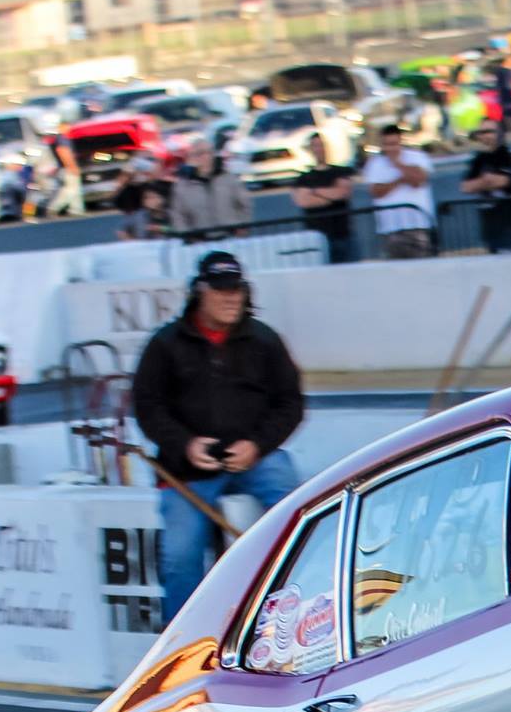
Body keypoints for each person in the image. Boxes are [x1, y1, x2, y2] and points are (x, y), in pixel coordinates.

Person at [132, 252, 304, 620]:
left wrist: (258, 444)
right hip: (188, 467)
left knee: (301, 518)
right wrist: (185, 444)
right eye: (222, 290)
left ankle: (302, 618)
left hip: (257, 456)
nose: (231, 298)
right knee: (179, 556)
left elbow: (291, 403)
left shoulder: (264, 339)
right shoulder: (165, 344)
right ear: (200, 292)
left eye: (237, 290)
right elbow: (147, 406)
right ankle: (179, 649)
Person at [361, 122, 437, 259]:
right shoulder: (375, 164)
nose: (391, 149)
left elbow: (419, 181)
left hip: (418, 225)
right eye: (387, 144)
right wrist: (399, 180)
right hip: (391, 228)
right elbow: (376, 191)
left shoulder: (417, 157)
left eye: (394, 144)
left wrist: (398, 164)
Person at [290, 135, 357, 264]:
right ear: (311, 149)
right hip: (317, 238)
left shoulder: (340, 171)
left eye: (321, 145)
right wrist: (329, 196)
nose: (319, 149)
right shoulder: (303, 178)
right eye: (315, 145)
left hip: (342, 235)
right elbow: (302, 201)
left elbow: (342, 193)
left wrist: (314, 191)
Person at [168, 139, 252, 240]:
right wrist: (188, 237)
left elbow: (244, 204)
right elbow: (178, 215)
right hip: (200, 241)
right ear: (191, 157)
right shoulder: (182, 186)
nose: (206, 156)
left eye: (209, 152)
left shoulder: (228, 177)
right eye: (200, 153)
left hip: (231, 236)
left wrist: (243, 226)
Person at [460, 121, 511, 253]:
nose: (485, 136)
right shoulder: (477, 159)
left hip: (509, 225)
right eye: (482, 132)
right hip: (489, 226)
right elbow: (465, 187)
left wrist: (479, 183)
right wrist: (486, 181)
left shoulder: (506, 154)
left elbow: (503, 181)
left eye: (489, 131)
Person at [45, 135, 84, 217]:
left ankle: (77, 210)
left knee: (75, 190)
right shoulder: (62, 139)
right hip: (67, 168)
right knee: (71, 190)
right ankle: (54, 207)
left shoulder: (59, 138)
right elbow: (63, 152)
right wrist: (72, 166)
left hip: (64, 168)